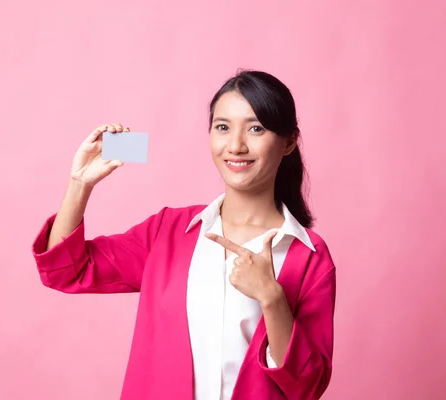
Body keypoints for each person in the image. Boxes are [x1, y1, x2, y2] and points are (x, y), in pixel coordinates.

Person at [31, 70, 336, 400]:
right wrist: (80, 184)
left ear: (288, 141)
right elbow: (65, 270)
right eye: (222, 127)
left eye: (256, 128)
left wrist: (272, 298)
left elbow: (308, 385)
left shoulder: (309, 257)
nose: (235, 145)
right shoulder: (168, 232)